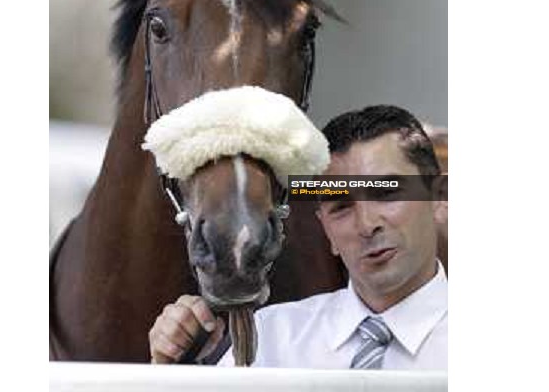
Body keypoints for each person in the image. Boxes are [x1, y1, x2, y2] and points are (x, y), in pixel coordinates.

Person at [149, 105, 448, 369]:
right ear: (326, 230)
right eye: (341, 207)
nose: (367, 224)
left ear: (439, 197)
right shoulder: (267, 342)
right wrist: (174, 374)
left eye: (386, 193)